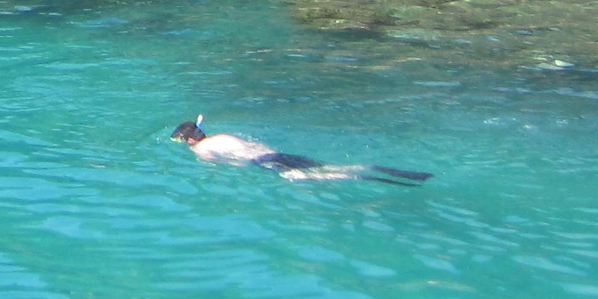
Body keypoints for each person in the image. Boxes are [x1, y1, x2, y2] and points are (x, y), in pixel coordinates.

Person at [170, 119, 429, 184]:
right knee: (324, 166)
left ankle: (365, 176)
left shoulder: (201, 149)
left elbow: (226, 166)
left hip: (264, 162)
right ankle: (373, 168)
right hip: (275, 153)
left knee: (307, 178)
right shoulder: (222, 135)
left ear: (190, 140)